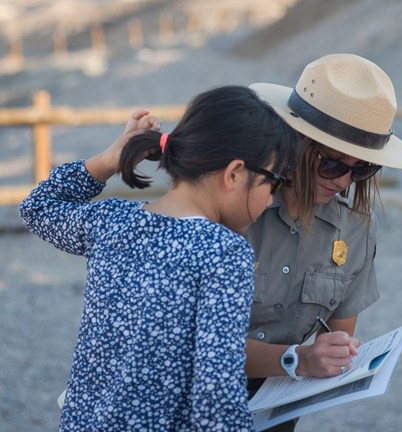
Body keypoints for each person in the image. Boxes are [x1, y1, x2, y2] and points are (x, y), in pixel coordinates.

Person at [19, 86, 299, 431]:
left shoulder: (112, 221)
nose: (271, 199)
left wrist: (109, 160)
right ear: (235, 174)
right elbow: (216, 395)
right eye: (273, 182)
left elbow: (38, 207)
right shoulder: (223, 252)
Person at [242, 53, 402, 427]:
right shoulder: (234, 208)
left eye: (363, 168)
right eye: (332, 163)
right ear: (295, 141)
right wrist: (296, 358)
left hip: (276, 409)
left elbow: (338, 339)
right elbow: (191, 339)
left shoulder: (356, 228)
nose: (343, 181)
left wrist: (333, 355)